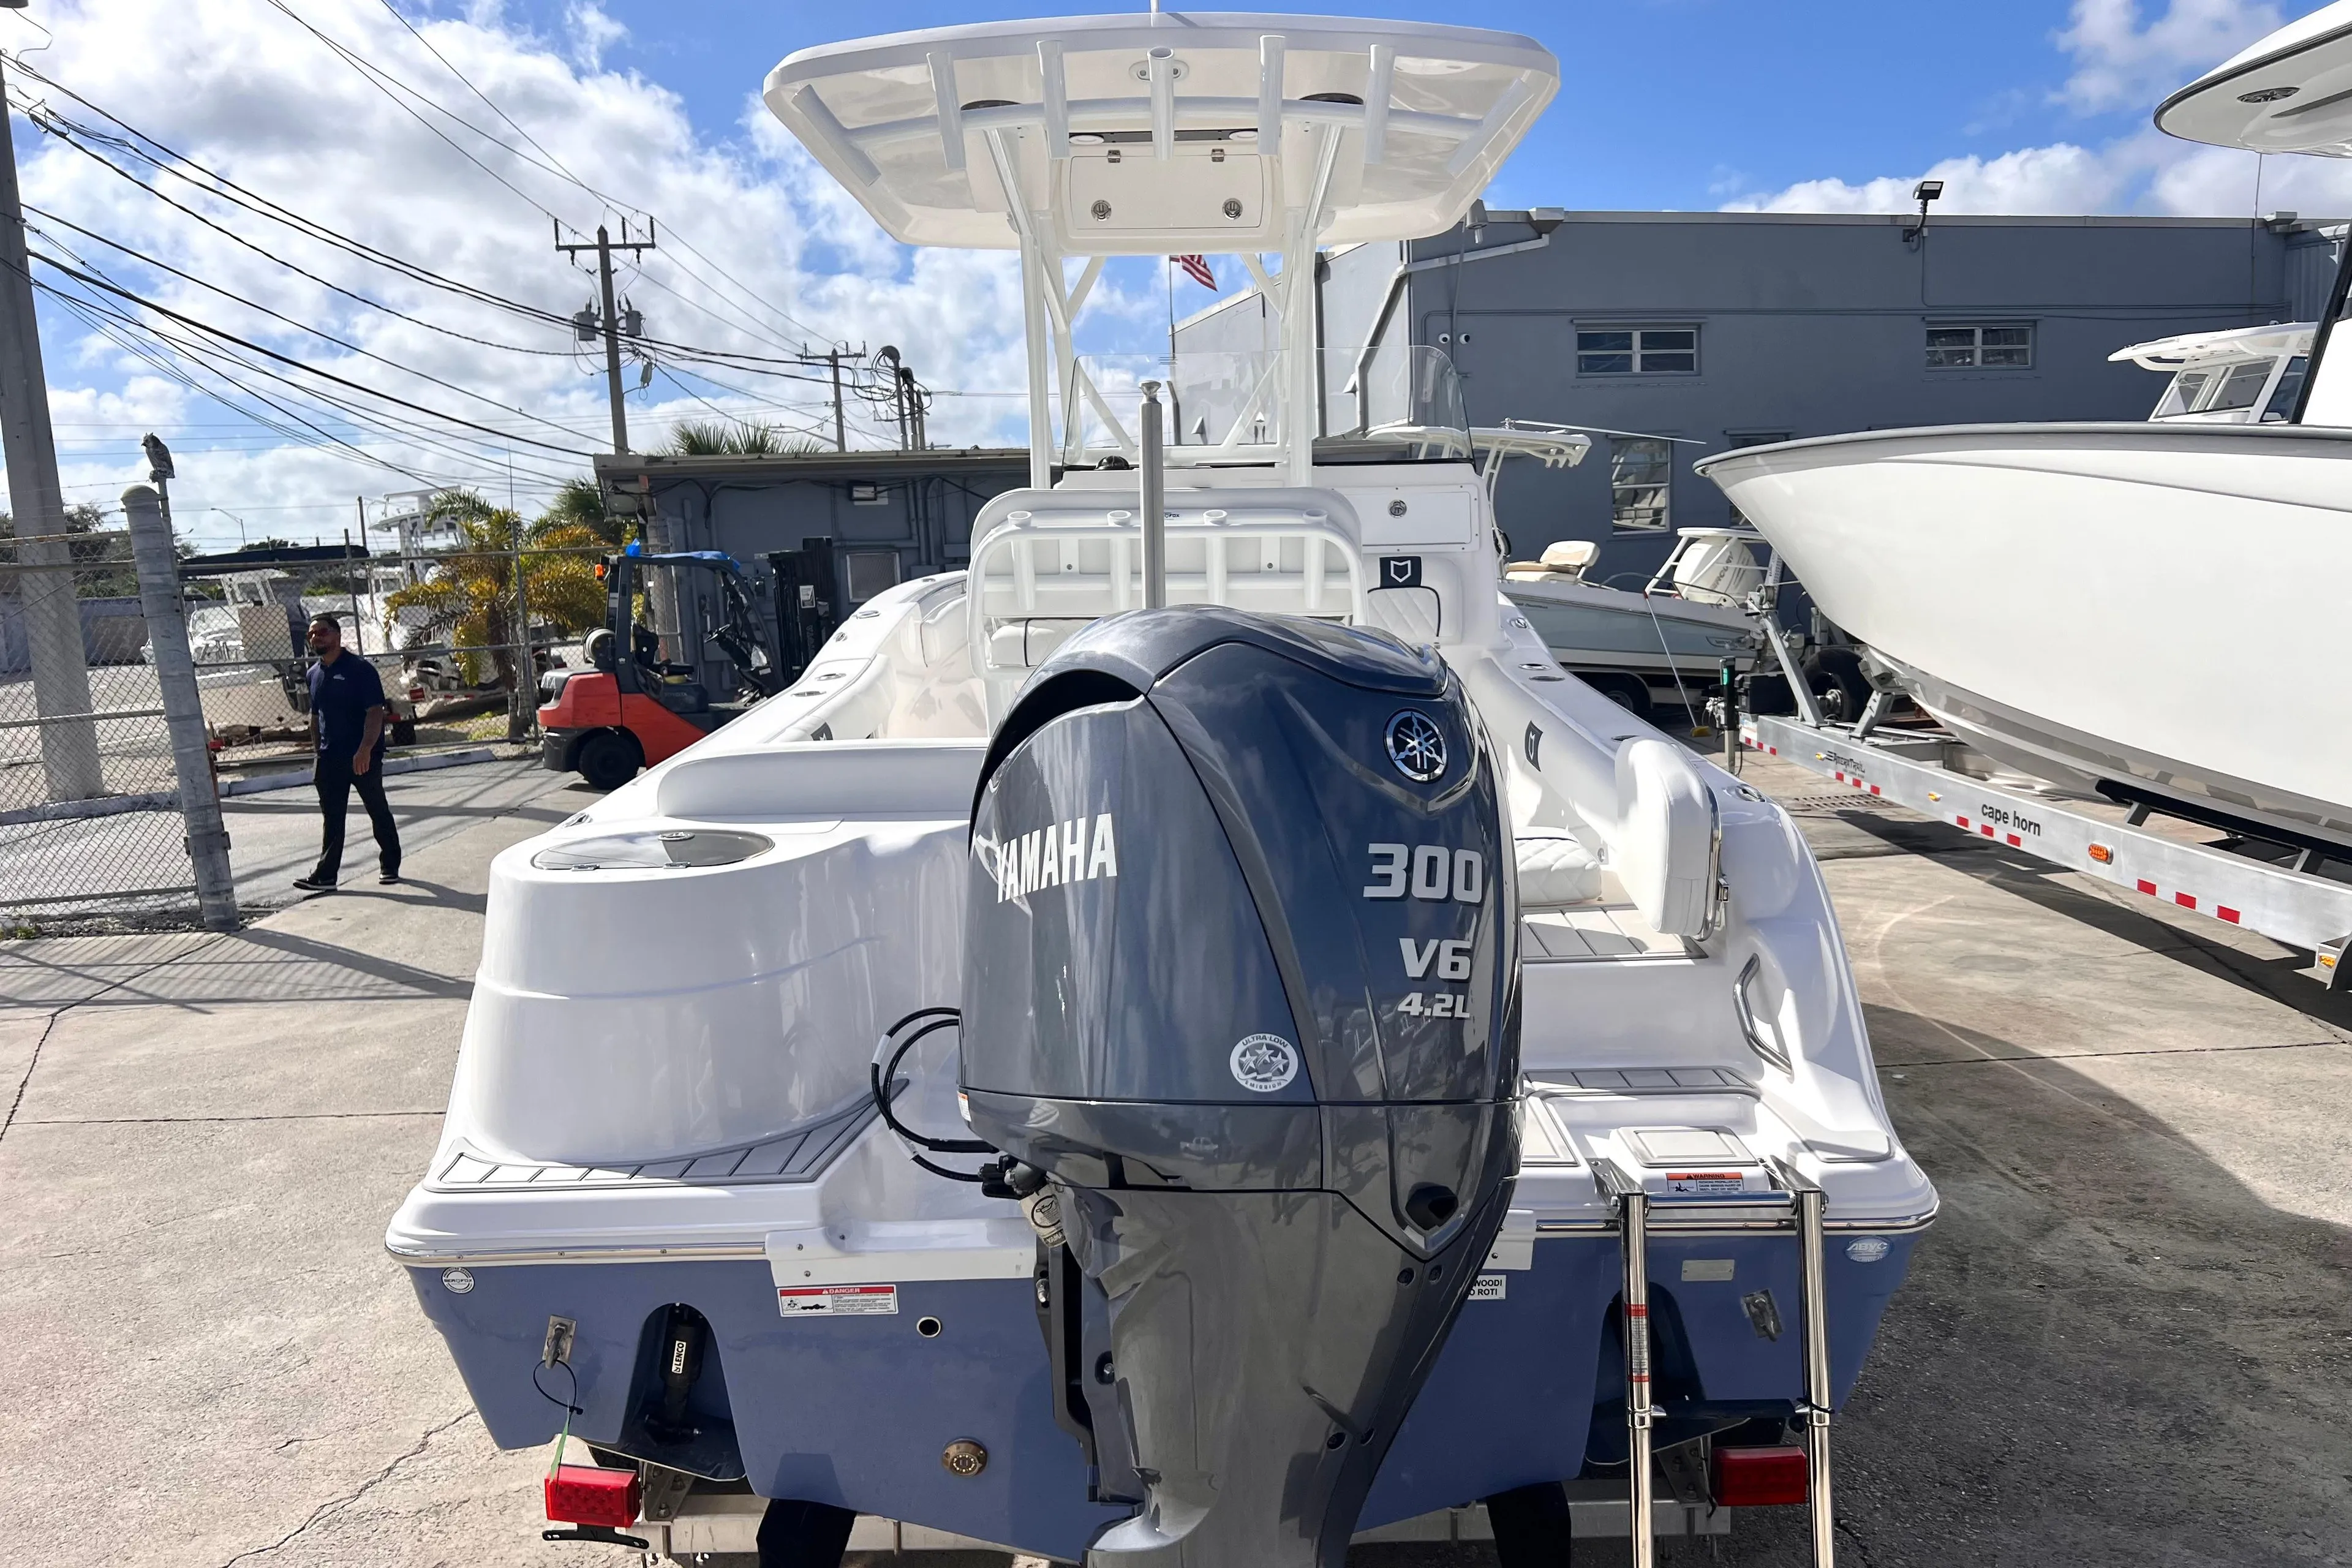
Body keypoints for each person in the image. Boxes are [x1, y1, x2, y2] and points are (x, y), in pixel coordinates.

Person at [293, 614, 401, 891]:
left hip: (362, 757)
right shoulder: (313, 674)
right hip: (330, 758)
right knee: (333, 818)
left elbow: (375, 712)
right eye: (312, 634)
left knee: (377, 810)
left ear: (338, 635)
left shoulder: (360, 670)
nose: (316, 638)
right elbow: (315, 717)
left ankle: (390, 864)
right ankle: (326, 876)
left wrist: (365, 749)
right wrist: (318, 753)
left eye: (322, 632)